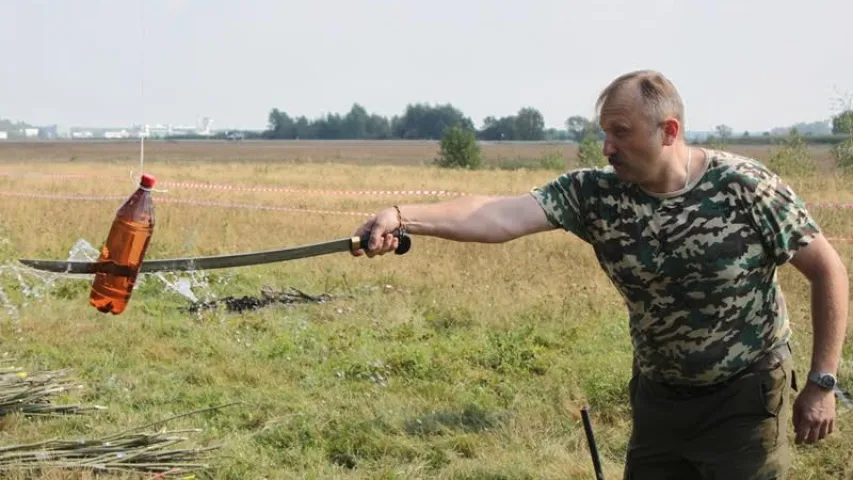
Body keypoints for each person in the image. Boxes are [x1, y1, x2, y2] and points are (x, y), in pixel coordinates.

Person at [351, 70, 848, 479]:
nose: (607, 147)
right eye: (604, 133)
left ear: (668, 131)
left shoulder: (745, 187)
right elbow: (496, 215)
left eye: (621, 133)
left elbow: (827, 270)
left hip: (745, 397)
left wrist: (822, 382)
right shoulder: (594, 194)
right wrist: (401, 214)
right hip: (659, 399)